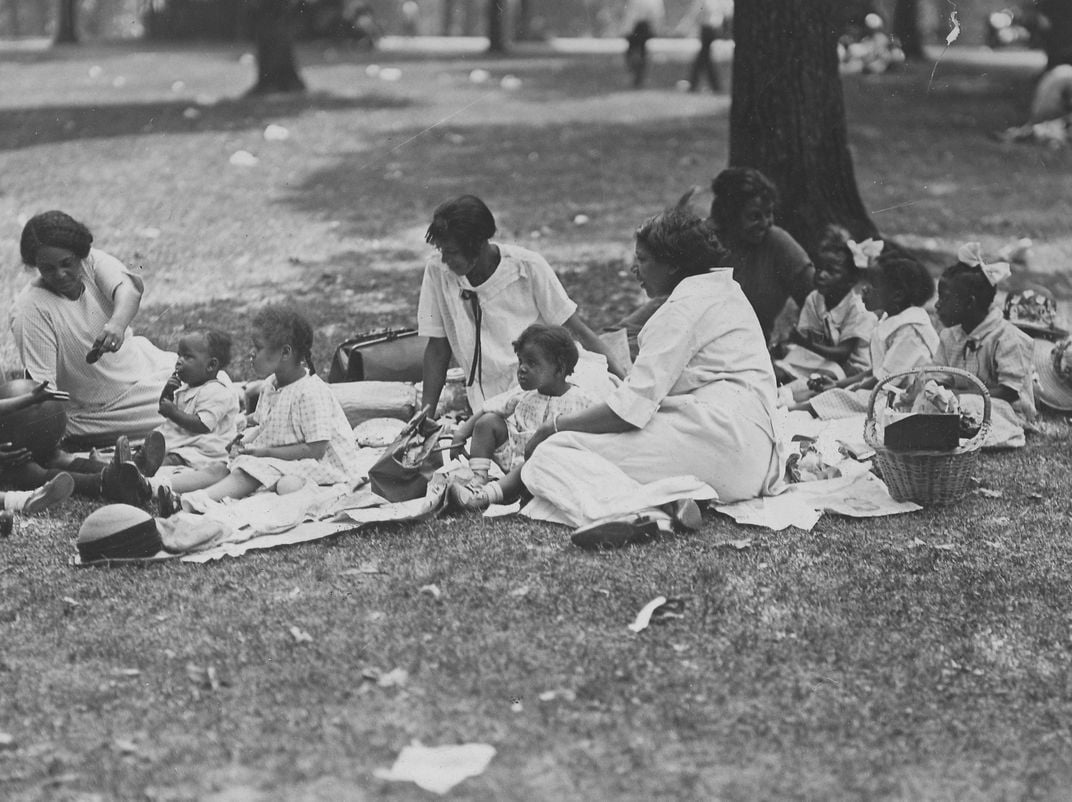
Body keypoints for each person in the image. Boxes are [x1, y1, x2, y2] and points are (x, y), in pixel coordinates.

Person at [501, 206, 785, 549]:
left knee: (549, 455)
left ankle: (638, 511)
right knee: (568, 457)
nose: (635, 268)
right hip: (752, 453)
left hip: (720, 442)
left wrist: (553, 426)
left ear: (674, 264)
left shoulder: (684, 306)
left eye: (644, 259)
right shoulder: (723, 291)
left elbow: (629, 410)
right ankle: (670, 501)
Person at [418, 195, 626, 419]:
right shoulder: (438, 271)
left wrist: (626, 383)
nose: (445, 260)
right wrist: (424, 416)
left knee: (590, 409)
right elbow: (438, 348)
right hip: (496, 396)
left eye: (452, 252)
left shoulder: (528, 267)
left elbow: (577, 330)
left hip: (549, 381)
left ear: (477, 244)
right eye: (442, 251)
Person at [149, 306, 362, 514]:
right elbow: (263, 424)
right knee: (223, 466)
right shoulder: (271, 384)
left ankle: (190, 503)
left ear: (285, 352)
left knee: (251, 471)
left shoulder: (310, 392)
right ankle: (155, 486)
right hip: (285, 456)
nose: (251, 353)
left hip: (323, 465)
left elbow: (316, 449)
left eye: (258, 347)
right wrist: (244, 439)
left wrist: (264, 453)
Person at [12, 211, 176, 448]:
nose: (59, 274)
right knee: (192, 406)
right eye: (47, 268)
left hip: (140, 370)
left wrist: (117, 326)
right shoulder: (31, 310)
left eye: (66, 263)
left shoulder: (93, 262)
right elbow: (45, 390)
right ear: (35, 266)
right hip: (99, 410)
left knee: (210, 386)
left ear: (80, 255)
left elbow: (128, 291)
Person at [448, 324, 597, 509]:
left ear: (560, 368)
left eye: (532, 363)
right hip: (514, 457)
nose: (522, 369)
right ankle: (478, 479)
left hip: (546, 468)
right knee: (488, 421)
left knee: (535, 457)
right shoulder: (521, 393)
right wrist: (461, 434)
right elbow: (488, 408)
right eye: (521, 362)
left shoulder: (582, 401)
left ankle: (482, 498)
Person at [799, 254, 938, 419]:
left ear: (897, 296)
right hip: (887, 391)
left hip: (908, 400)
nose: (864, 289)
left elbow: (885, 380)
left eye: (872, 285)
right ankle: (801, 408)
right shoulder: (891, 321)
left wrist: (848, 390)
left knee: (835, 400)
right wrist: (840, 384)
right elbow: (875, 372)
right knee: (832, 394)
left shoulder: (910, 330)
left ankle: (792, 412)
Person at [932, 245, 1036, 441]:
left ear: (970, 303)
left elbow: (1009, 391)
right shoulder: (949, 336)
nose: (937, 305)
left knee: (971, 407)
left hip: (1001, 408)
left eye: (945, 299)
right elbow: (939, 378)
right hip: (959, 404)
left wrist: (957, 396)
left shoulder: (1006, 337)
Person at [710, 168, 815, 345]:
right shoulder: (704, 242)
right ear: (730, 215)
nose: (765, 223)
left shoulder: (778, 244)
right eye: (754, 217)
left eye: (769, 213)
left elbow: (817, 299)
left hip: (753, 351)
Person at [775, 226, 879, 390]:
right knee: (781, 367)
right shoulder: (815, 299)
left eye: (832, 271)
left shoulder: (858, 309)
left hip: (851, 369)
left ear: (852, 279)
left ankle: (799, 391)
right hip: (822, 359)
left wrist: (806, 343)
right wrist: (798, 343)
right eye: (819, 268)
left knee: (815, 379)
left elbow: (843, 353)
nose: (821, 275)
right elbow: (811, 336)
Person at [155, 328, 241, 469]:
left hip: (204, 447)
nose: (179, 362)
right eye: (179, 356)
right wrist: (167, 393)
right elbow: (164, 410)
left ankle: (146, 470)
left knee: (175, 459)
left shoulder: (217, 392)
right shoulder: (187, 387)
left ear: (211, 365)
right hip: (185, 440)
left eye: (187, 357)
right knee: (156, 445)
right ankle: (138, 461)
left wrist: (174, 412)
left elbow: (202, 425)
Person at [685, 0, 729, 92]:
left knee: (703, 56)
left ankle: (695, 83)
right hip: (713, 29)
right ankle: (713, 85)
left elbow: (695, 13)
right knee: (704, 57)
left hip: (707, 29)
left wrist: (686, 26)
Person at [623, 0, 665, 88]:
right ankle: (639, 77)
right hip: (646, 26)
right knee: (642, 52)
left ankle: (635, 75)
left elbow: (631, 15)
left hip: (636, 26)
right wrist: (656, 28)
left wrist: (627, 29)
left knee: (632, 52)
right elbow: (658, 14)